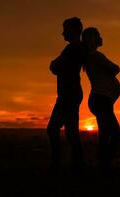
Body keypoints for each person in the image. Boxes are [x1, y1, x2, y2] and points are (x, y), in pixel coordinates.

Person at [82, 27, 120, 174]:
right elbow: (116, 68)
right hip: (101, 99)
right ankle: (105, 163)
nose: (101, 37)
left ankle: (103, 165)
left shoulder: (91, 57)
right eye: (98, 35)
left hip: (100, 99)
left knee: (105, 134)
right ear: (92, 39)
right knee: (116, 134)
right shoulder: (95, 56)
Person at [47, 17, 85, 173]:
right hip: (71, 93)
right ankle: (78, 165)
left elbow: (55, 67)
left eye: (65, 29)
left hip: (68, 94)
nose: (63, 33)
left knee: (53, 129)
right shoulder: (76, 48)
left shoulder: (72, 49)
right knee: (71, 132)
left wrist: (54, 63)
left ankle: (58, 164)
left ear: (74, 30)